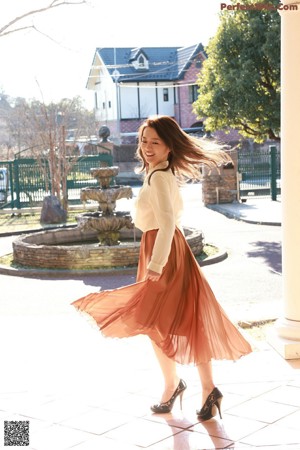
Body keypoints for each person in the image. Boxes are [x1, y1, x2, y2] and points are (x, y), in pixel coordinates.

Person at [72, 115, 252, 420]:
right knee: (186, 321)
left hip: (162, 251)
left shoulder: (158, 177)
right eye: (144, 140)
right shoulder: (162, 173)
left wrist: (156, 263)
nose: (147, 147)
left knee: (156, 323)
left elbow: (166, 223)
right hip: (170, 249)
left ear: (170, 146)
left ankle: (173, 386)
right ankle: (205, 389)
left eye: (155, 141)